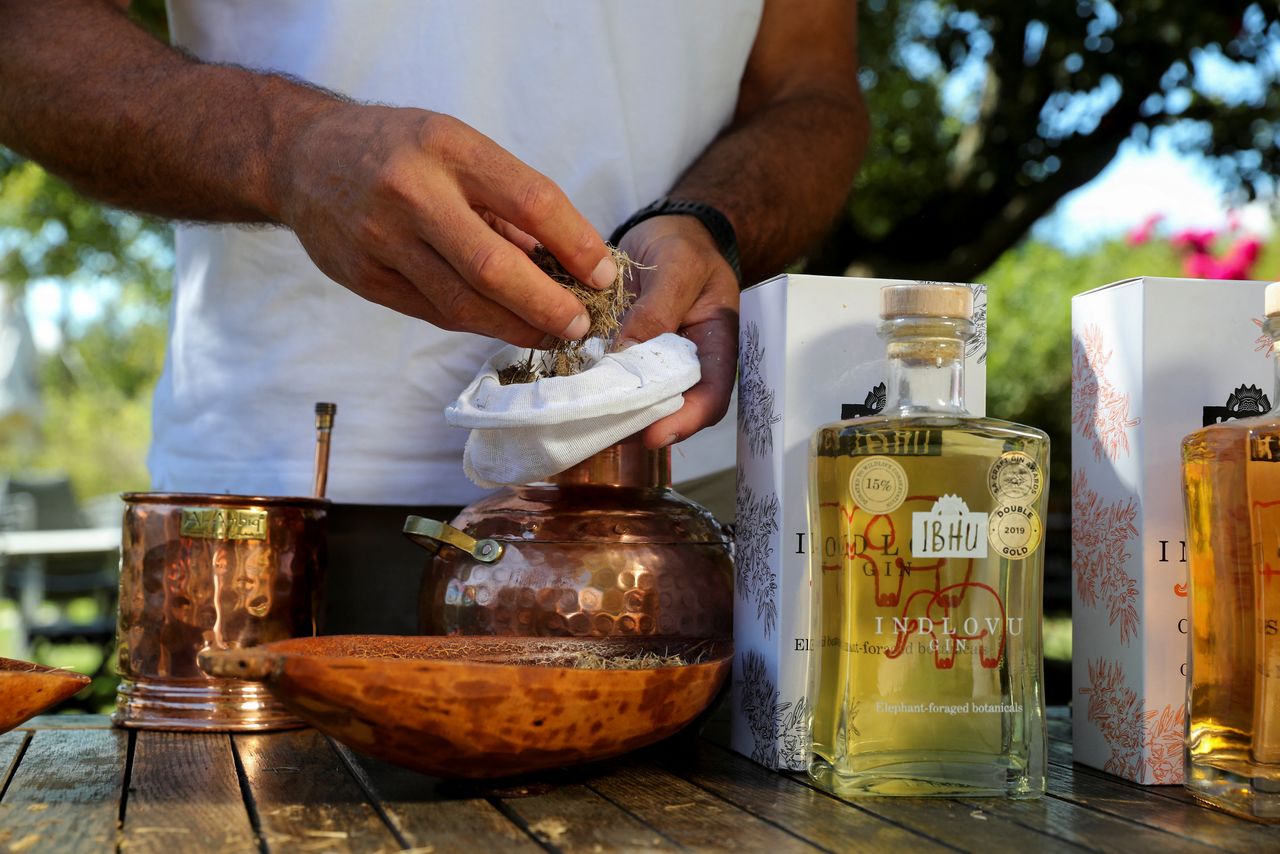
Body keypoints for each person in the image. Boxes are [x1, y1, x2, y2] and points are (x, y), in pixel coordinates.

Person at [0, 0, 868, 632]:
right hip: (285, 506)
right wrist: (285, 147)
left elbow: (813, 89)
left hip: (677, 500)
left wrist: (710, 220)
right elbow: (24, 31)